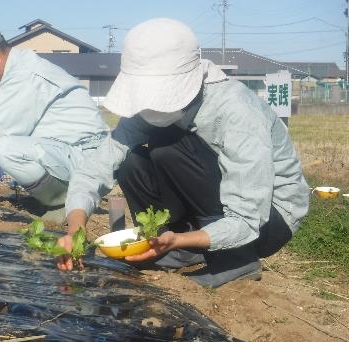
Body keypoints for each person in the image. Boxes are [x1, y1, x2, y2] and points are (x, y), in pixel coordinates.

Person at [57, 18, 309, 288]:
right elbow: (98, 166)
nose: (149, 107)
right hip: (210, 212)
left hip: (267, 220)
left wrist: (180, 239)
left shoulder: (236, 111)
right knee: (130, 161)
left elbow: (248, 217)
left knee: (170, 149)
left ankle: (235, 260)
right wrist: (76, 229)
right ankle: (173, 248)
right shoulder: (146, 110)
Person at [0, 28, 109, 218]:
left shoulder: (24, 76)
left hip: (88, 159)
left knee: (7, 147)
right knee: (12, 145)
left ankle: (63, 204)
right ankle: (57, 196)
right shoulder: (22, 67)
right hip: (70, 152)